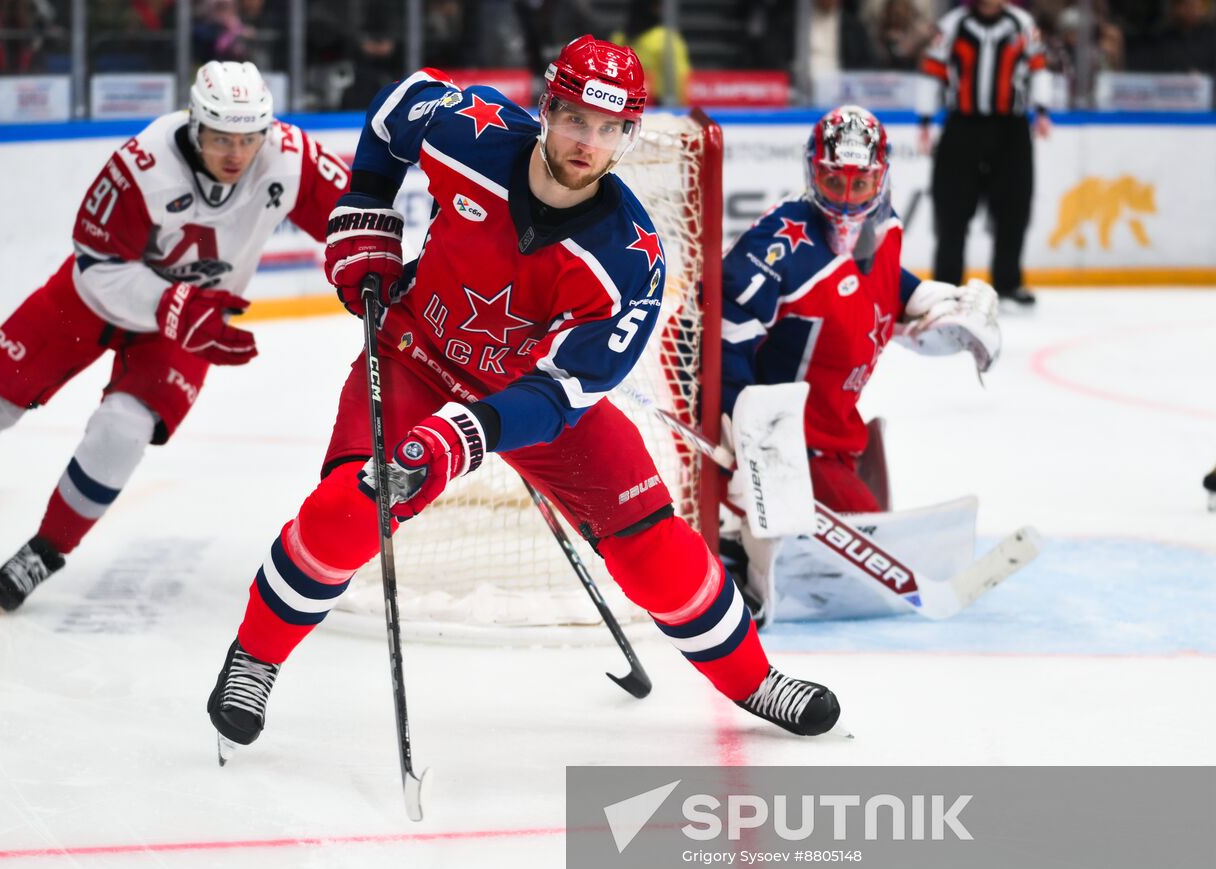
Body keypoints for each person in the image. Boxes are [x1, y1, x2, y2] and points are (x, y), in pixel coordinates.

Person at [206, 36, 843, 764]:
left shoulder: (627, 258)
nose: (589, 143)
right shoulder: (470, 134)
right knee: (351, 508)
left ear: (629, 134)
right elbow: (397, 107)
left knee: (653, 549)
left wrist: (466, 434)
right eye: (576, 119)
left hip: (537, 404)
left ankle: (755, 680)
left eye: (611, 129)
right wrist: (367, 208)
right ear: (546, 108)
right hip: (416, 356)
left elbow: (564, 391)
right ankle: (255, 659)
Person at [0, 61, 350, 610]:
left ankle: (45, 551)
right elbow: (97, 265)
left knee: (123, 430)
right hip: (94, 301)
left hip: (187, 320)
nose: (236, 154)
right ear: (195, 125)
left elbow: (354, 215)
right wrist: (174, 303)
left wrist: (379, 266)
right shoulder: (145, 164)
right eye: (222, 138)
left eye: (249, 139)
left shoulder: (288, 157)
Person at [718, 106, 1001, 616]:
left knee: (866, 535)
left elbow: (883, 281)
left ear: (882, 178)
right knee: (872, 567)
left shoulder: (885, 226)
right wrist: (744, 439)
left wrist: (925, 301)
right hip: (795, 448)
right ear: (811, 173)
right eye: (833, 181)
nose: (846, 201)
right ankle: (733, 545)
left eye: (860, 184)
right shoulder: (777, 249)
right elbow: (723, 334)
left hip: (837, 431)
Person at [918, 0, 1053, 309]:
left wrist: (1042, 110)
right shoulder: (952, 25)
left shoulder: (1022, 24)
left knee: (1013, 206)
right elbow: (933, 71)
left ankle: (1008, 283)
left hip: (1012, 128)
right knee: (951, 206)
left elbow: (1038, 68)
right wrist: (924, 119)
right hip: (962, 126)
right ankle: (946, 284)